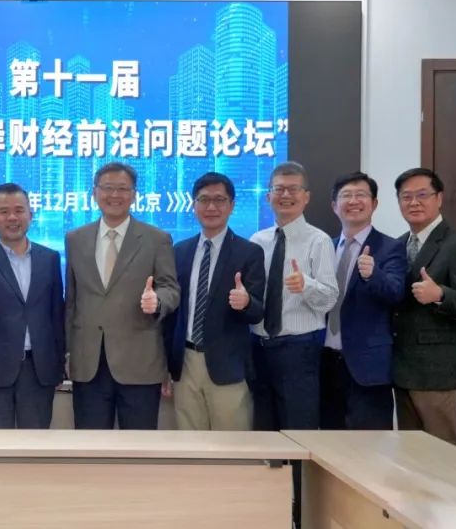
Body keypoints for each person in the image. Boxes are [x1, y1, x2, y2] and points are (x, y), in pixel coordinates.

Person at [64, 162, 180, 430]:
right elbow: (71, 300)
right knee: (91, 445)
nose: (114, 195)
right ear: (94, 193)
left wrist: (158, 301)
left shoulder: (156, 239)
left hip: (139, 362)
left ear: (134, 195)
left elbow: (170, 288)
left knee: (138, 447)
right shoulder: (75, 239)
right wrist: (67, 352)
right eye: (107, 188)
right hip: (88, 363)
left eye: (123, 189)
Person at [0, 183, 65, 429]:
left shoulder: (50, 259)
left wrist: (59, 364)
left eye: (19, 210)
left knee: (35, 444)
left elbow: (56, 314)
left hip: (39, 370)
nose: (12, 217)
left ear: (31, 214)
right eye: (4, 212)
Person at [164, 172, 265, 431]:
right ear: (193, 205)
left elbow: (258, 312)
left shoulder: (249, 252)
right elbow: (173, 315)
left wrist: (246, 302)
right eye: (204, 200)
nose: (211, 207)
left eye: (219, 200)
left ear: (231, 205)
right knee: (190, 443)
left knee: (232, 444)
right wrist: (167, 365)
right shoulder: (179, 251)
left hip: (227, 365)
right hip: (185, 364)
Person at [248, 161, 339, 433]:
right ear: (268, 196)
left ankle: (299, 466)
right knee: (263, 427)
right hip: (258, 346)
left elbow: (329, 299)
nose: (285, 195)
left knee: (298, 428)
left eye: (293, 189)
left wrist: (305, 285)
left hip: (298, 349)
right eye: (279, 189)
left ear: (306, 196)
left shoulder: (318, 240)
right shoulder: (257, 241)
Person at [392, 167, 456, 446]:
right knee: (410, 456)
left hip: (437, 373)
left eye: (422, 195)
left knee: (443, 456)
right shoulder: (397, 244)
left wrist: (440, 294)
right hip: (401, 369)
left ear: (439, 198)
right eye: (406, 197)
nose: (414, 203)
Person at [321, 172, 406, 430]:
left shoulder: (390, 247)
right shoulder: (324, 247)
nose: (353, 201)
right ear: (334, 205)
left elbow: (396, 292)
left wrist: (373, 274)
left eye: (361, 195)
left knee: (370, 445)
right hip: (325, 362)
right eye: (346, 195)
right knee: (329, 442)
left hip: (368, 367)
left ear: (374, 203)